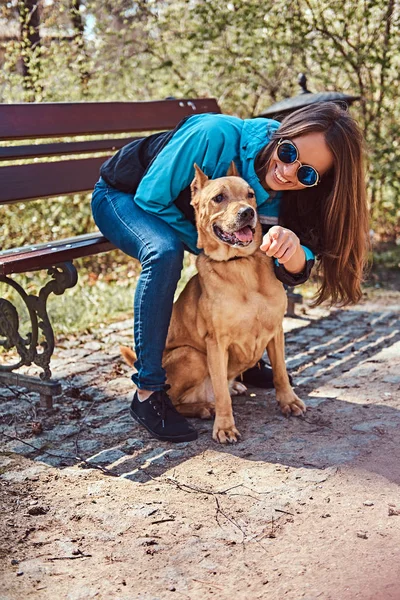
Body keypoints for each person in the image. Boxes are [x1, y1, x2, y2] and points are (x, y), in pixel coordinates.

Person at [91, 102, 369, 443]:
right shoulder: (213, 135)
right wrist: (210, 246)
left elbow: (305, 252)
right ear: (282, 134)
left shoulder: (293, 189)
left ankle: (244, 358)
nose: (287, 172)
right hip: (124, 196)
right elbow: (152, 199)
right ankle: (149, 391)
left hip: (195, 220)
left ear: (317, 180)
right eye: (287, 152)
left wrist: (294, 250)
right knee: (164, 252)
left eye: (306, 172)